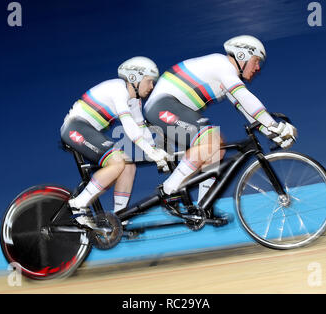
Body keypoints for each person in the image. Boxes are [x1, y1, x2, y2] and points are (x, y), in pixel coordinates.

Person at [144, 35, 297, 217]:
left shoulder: (226, 76)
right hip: (161, 106)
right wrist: (274, 125)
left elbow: (245, 108)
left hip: (169, 105)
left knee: (218, 147)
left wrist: (272, 133)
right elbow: (246, 98)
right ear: (242, 56)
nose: (257, 68)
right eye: (256, 61)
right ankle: (169, 192)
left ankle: (203, 207)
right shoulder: (223, 65)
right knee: (211, 138)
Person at [60, 56, 169, 227]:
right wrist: (151, 152)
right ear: (134, 78)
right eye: (149, 81)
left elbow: (141, 128)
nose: (151, 87)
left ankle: (119, 218)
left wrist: (158, 152)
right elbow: (129, 127)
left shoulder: (134, 101)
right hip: (76, 127)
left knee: (128, 166)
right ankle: (78, 205)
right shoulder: (119, 90)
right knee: (117, 162)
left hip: (86, 129)